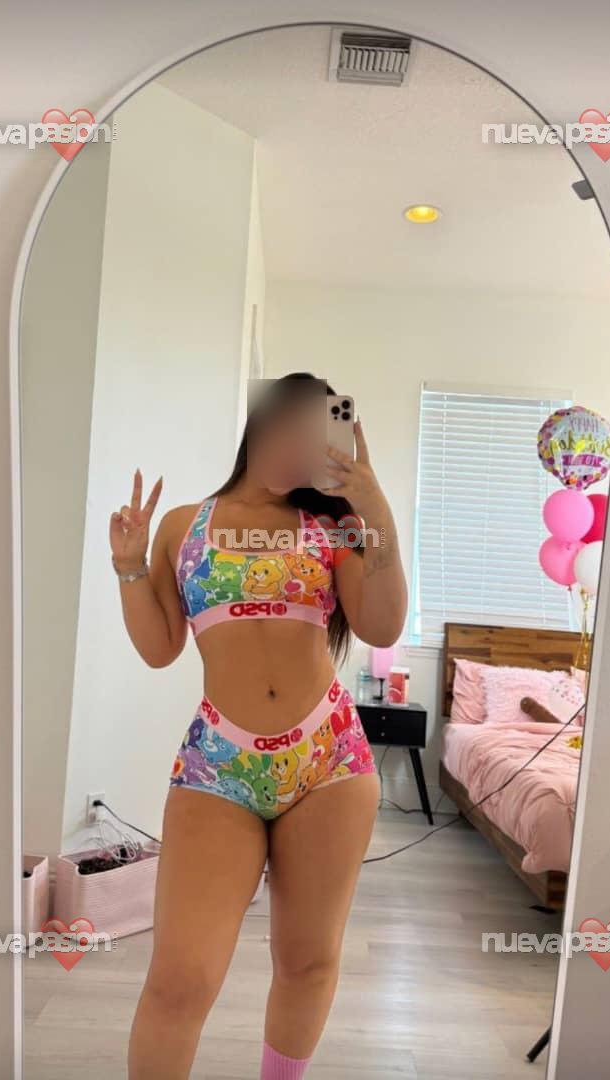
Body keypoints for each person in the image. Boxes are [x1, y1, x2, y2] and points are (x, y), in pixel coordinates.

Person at [110, 374, 407, 1079]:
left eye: (316, 438)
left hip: (329, 761)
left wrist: (374, 510)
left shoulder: (334, 527)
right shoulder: (184, 525)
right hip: (219, 765)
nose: (297, 449)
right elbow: (159, 649)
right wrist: (128, 566)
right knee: (179, 979)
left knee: (308, 962)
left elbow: (381, 625)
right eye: (287, 429)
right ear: (259, 426)